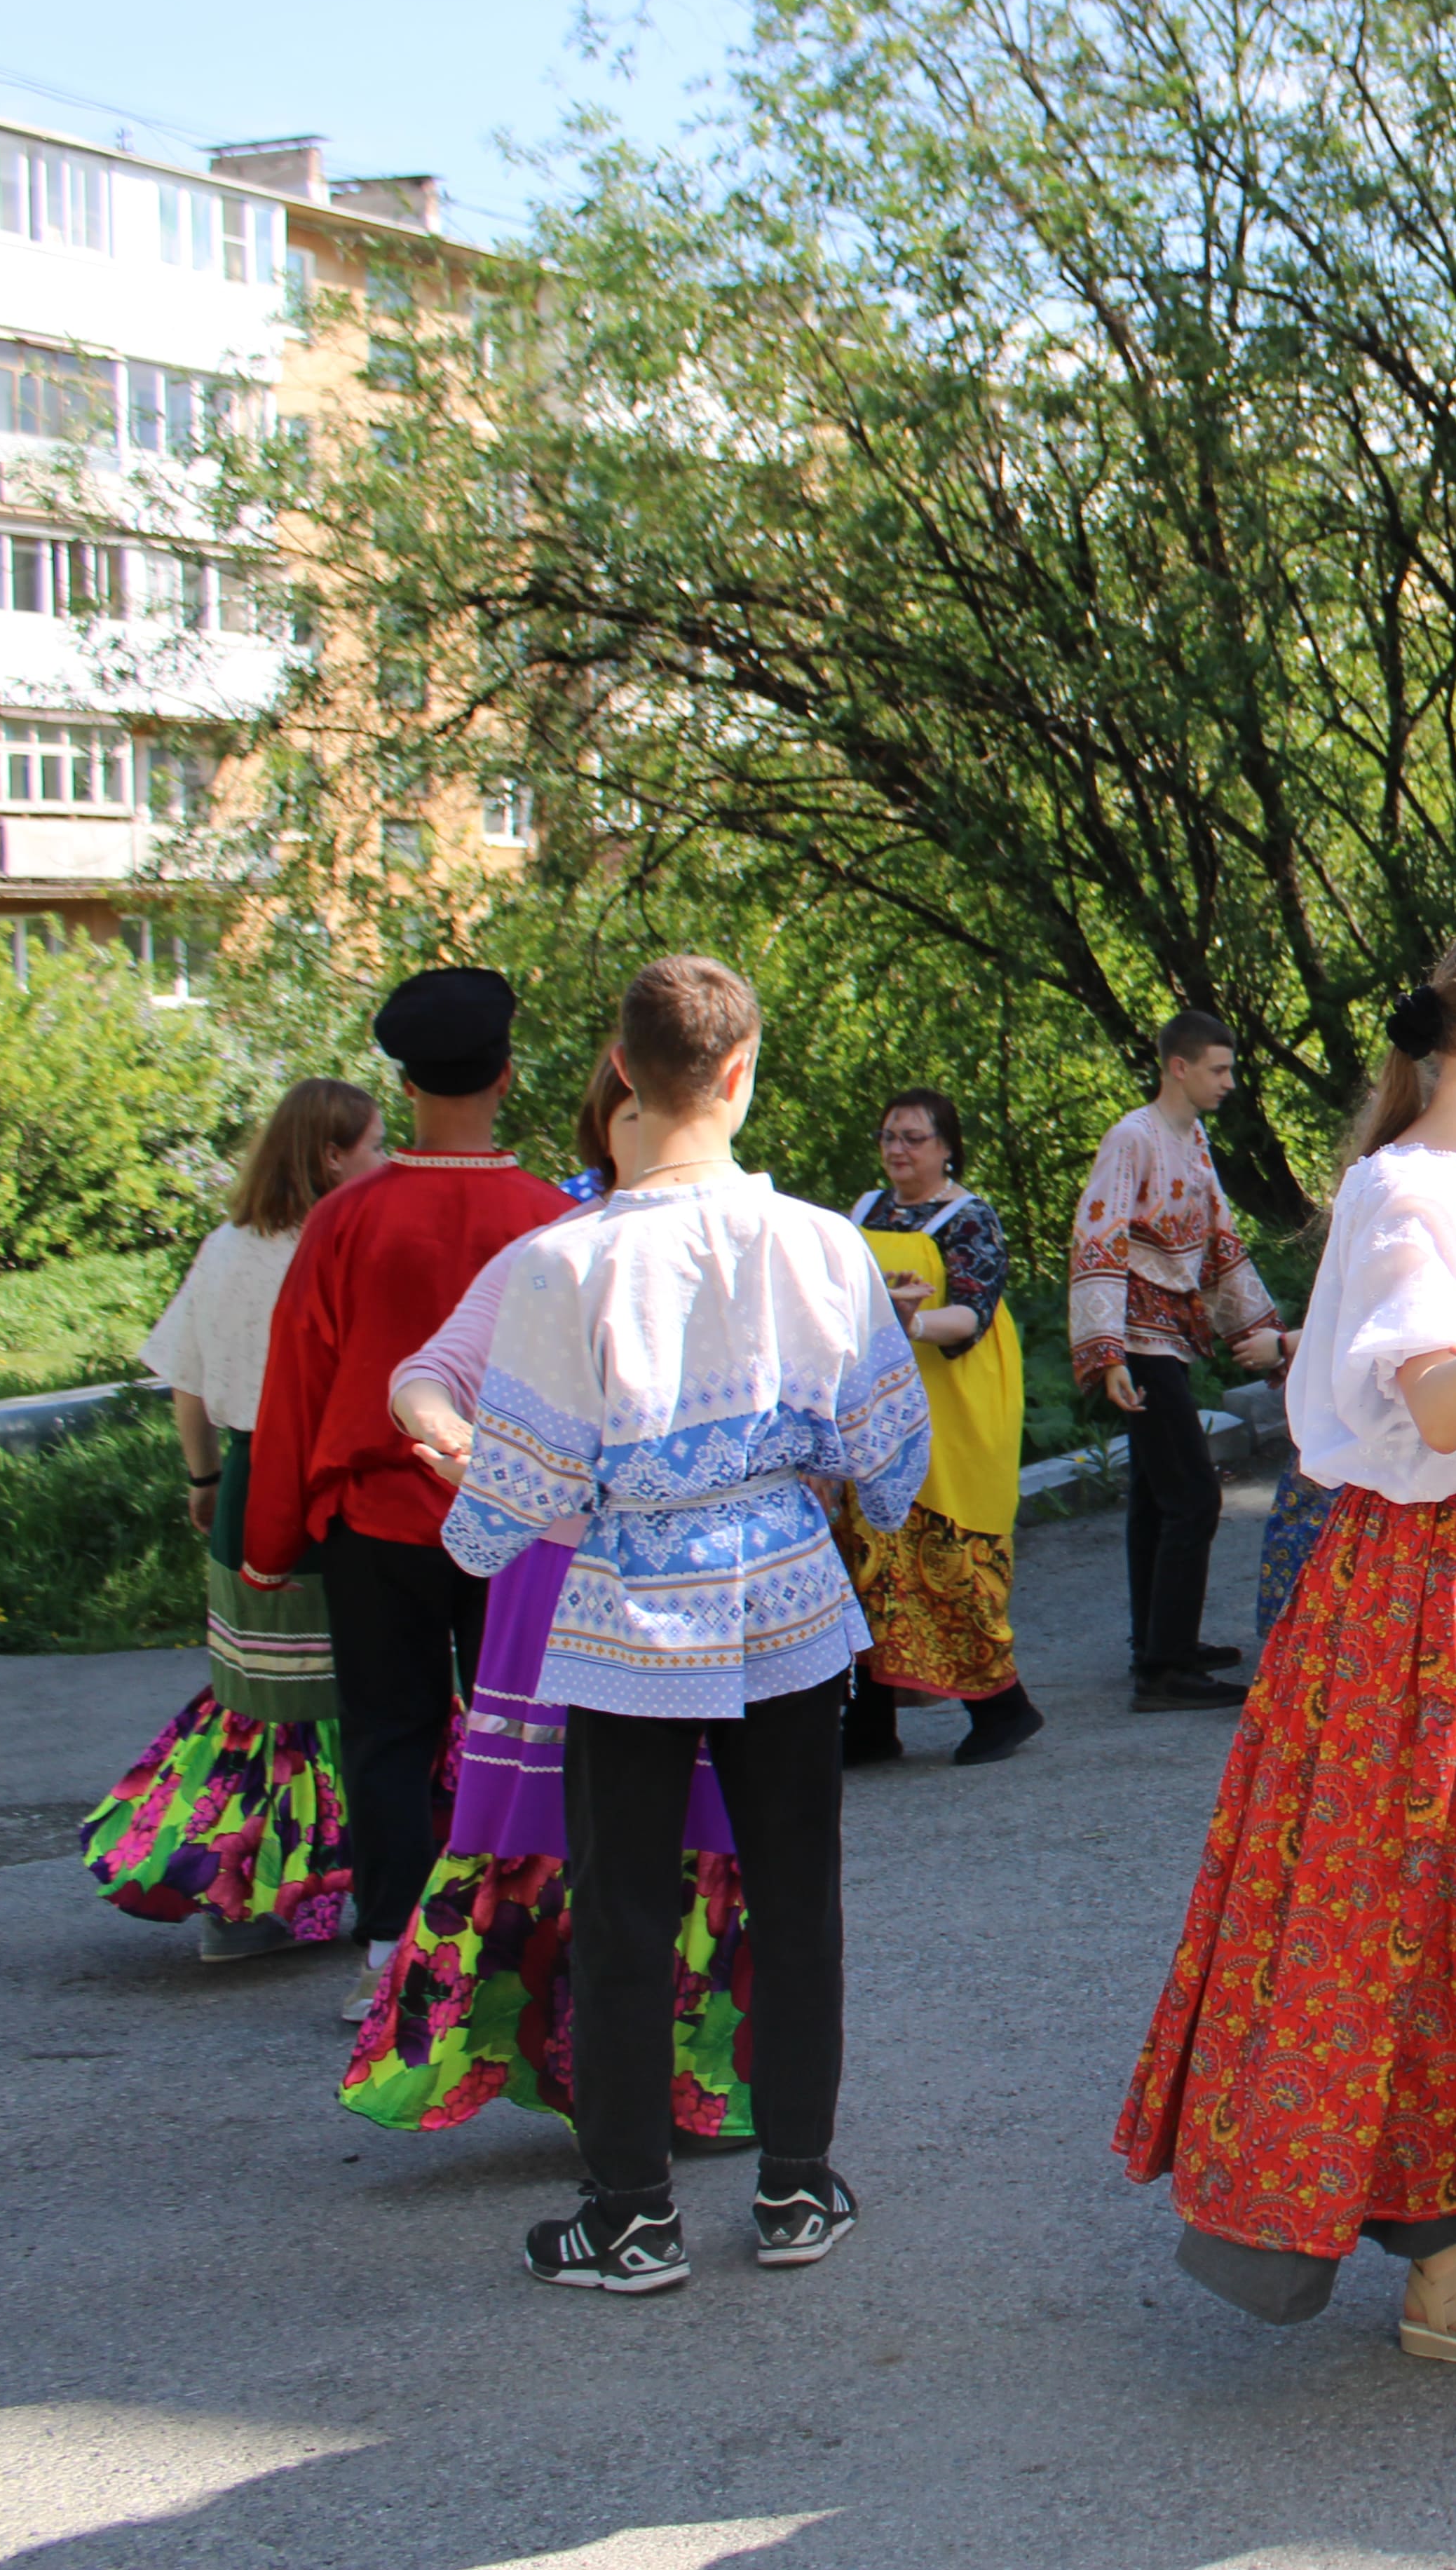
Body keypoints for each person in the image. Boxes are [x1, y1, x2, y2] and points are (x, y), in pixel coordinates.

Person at [1118, 916, 1456, 2368]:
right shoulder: (1407, 1189)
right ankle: (1437, 2261)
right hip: (1434, 1581)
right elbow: (1433, 1408)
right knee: (1420, 1902)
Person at [444, 956, 928, 2294]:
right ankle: (796, 2184)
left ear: (624, 1068)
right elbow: (889, 1454)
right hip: (783, 1604)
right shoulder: (824, 1243)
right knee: (798, 1901)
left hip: (624, 1625)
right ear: (739, 1068)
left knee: (621, 1911)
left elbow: (519, 1493)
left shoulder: (562, 1263)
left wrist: (474, 1513)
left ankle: (632, 2210)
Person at [350, 1056, 761, 2148]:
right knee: (577, 1834)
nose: (646, 1133)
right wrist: (454, 1437)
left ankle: (695, 2077)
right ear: (603, 1132)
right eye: (625, 1117)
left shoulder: (750, 1246)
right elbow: (427, 1373)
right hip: (563, 1592)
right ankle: (597, 2071)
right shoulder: (550, 1258)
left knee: (698, 1834)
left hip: (709, 1589)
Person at [246, 969, 577, 2020]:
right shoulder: (552, 1218)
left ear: (404, 1078)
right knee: (520, 1729)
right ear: (507, 1074)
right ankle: (518, 1942)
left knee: (385, 1734)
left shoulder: (347, 1219)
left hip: (377, 1520)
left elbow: (295, 1377)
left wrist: (270, 1537)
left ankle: (389, 1947)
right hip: (519, 1521)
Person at [82, 1079, 386, 1959]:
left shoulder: (224, 1246)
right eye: (371, 1145)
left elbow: (186, 1377)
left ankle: (241, 1896)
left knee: (258, 1697)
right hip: (325, 1480)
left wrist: (204, 1475)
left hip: (248, 1476)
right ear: (331, 1156)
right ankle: (341, 1886)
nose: (383, 1158)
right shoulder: (348, 1243)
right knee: (348, 1693)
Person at [1070, 1014, 1291, 1715]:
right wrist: (1106, 1352)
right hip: (1138, 1341)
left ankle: (1159, 1641)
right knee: (1193, 1495)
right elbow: (1097, 1235)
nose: (1229, 1083)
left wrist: (1262, 1336)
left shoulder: (1191, 1139)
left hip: (1170, 1336)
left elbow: (1221, 1241)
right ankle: (1164, 1670)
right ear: (1179, 1067)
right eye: (1219, 1070)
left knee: (1155, 1497)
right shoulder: (1131, 1137)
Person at [839, 1089, 1041, 1767]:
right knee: (867, 1561)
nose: (898, 1149)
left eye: (914, 1138)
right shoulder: (863, 1212)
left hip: (952, 1405)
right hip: (877, 1410)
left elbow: (974, 1312)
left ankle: (1003, 1708)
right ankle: (869, 1722)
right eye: (889, 1135)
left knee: (949, 1563)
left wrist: (911, 1324)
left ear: (946, 1145)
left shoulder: (969, 1217)